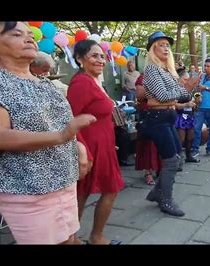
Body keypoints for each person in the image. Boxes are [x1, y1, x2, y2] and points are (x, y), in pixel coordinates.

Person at [0, 21, 96, 244]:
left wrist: (78, 147)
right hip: (29, 188)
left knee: (70, 239)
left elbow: (60, 124)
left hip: (64, 178)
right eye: (16, 34)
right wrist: (61, 137)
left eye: (29, 34)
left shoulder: (43, 83)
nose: (29, 38)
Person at [67, 39, 125, 245]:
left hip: (104, 146)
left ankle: (94, 236)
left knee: (108, 189)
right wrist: (83, 151)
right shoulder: (81, 83)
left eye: (102, 56)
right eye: (94, 55)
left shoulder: (93, 81)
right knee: (81, 194)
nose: (100, 60)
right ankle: (73, 239)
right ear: (80, 59)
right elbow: (70, 119)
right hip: (89, 149)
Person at [141, 31, 200, 217]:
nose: (166, 48)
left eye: (167, 45)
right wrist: (185, 90)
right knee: (172, 160)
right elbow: (165, 96)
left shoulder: (167, 70)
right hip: (157, 119)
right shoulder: (152, 69)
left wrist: (184, 91)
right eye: (160, 44)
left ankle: (158, 192)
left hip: (167, 117)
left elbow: (180, 96)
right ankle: (165, 199)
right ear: (152, 49)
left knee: (177, 158)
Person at [135, 73, 161, 185]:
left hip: (162, 113)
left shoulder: (164, 75)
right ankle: (148, 172)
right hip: (148, 113)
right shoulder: (143, 77)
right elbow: (140, 96)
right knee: (148, 145)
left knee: (161, 143)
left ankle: (160, 168)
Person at [175, 67, 199, 163]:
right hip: (180, 115)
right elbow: (173, 104)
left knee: (190, 137)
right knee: (181, 139)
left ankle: (189, 156)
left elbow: (196, 94)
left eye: (188, 79)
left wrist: (198, 98)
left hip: (190, 115)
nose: (187, 81)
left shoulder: (190, 88)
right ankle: (178, 160)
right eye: (185, 79)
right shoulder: (176, 89)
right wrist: (185, 104)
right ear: (179, 79)